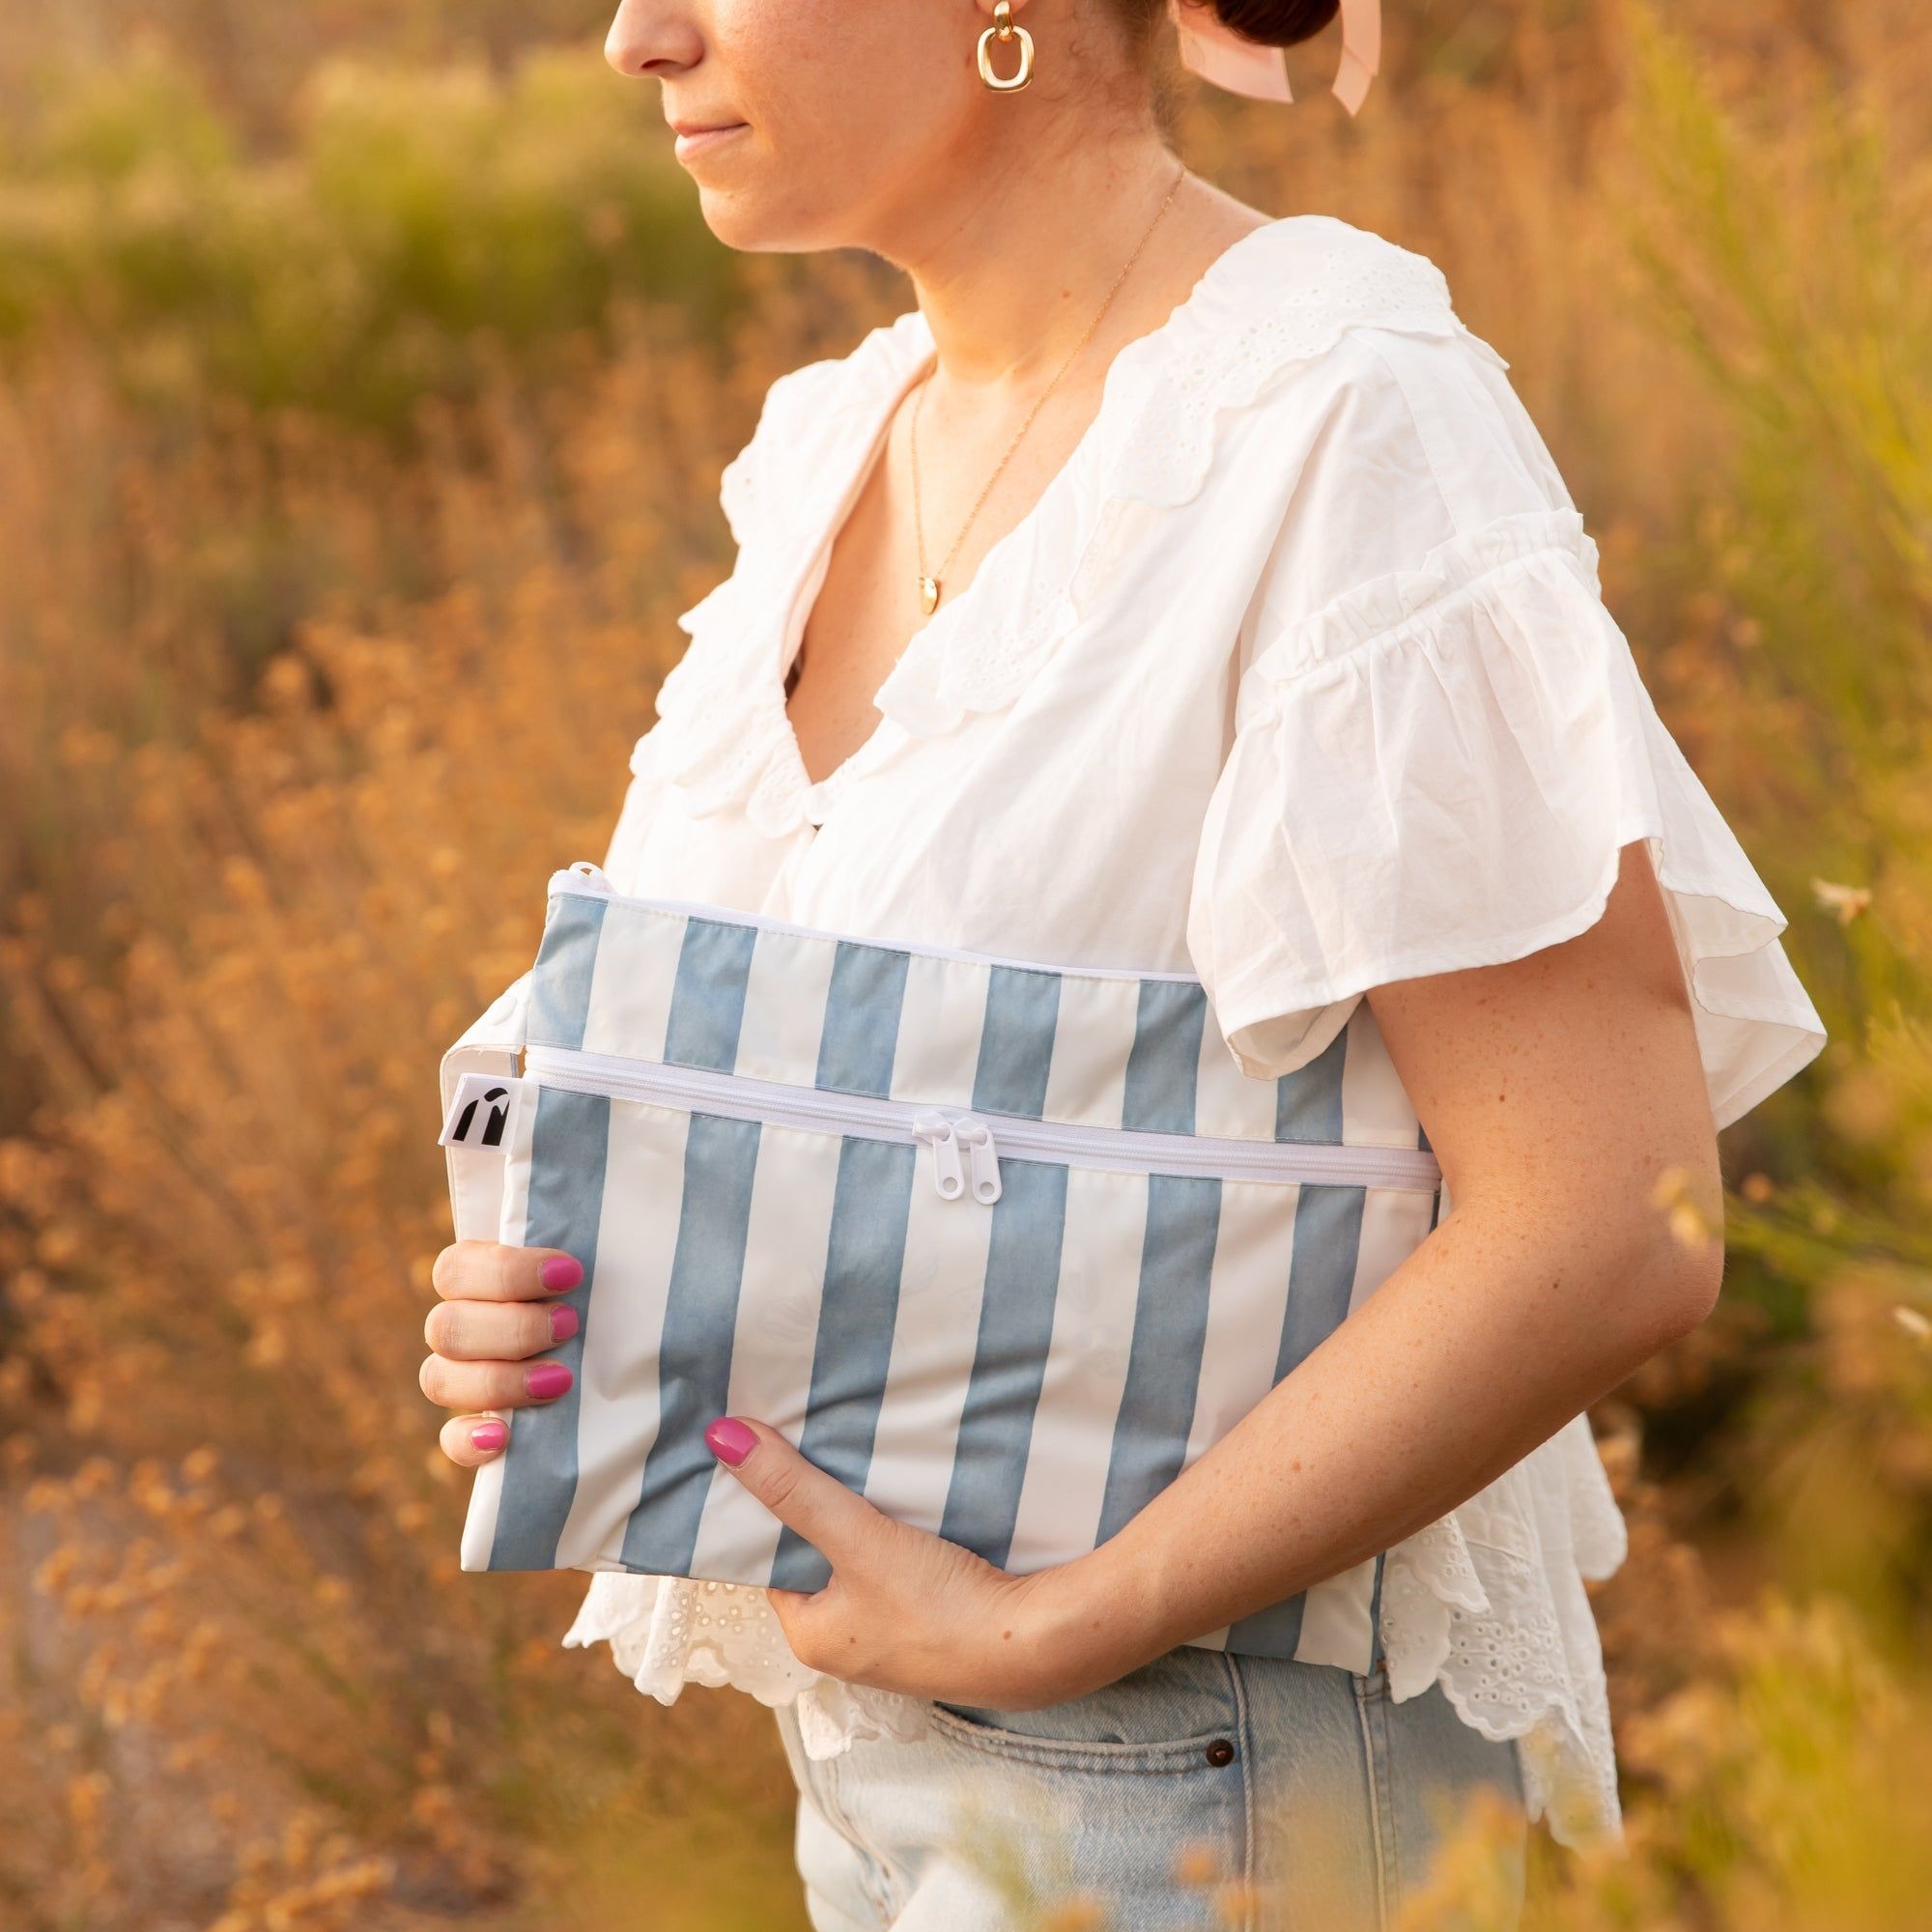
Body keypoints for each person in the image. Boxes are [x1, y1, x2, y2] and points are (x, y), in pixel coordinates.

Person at [416, 3, 1828, 1925]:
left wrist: (1060, 1624)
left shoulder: (1334, 409)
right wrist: (558, 1286)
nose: (632, 38)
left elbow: (1606, 1219)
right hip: (888, 1781)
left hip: (1218, 1784)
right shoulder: (836, 441)